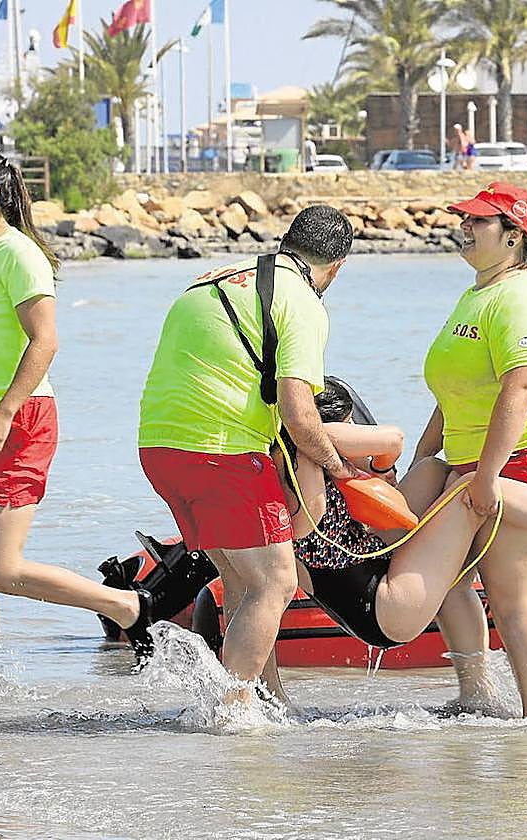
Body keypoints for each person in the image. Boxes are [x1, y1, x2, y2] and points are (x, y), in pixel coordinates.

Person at [0, 141, 153, 697]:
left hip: (19, 419)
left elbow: (45, 341)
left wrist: (4, 412)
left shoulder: (19, 255)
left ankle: (125, 605)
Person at [138, 205, 355, 702]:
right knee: (276, 582)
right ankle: (230, 713)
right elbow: (299, 415)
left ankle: (265, 699)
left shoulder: (215, 277)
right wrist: (336, 465)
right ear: (337, 266)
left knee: (242, 581)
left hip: (159, 447)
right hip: (220, 451)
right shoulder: (301, 300)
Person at [278, 379, 527, 658]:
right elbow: (393, 439)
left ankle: (476, 689)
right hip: (386, 608)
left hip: (370, 572)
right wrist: (343, 456)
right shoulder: (307, 469)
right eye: (350, 428)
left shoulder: (285, 462)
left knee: (432, 470)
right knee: (475, 487)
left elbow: (392, 452)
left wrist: (366, 471)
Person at [415, 182, 527, 717]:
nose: (464, 227)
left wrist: (488, 477)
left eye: (478, 220)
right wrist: (425, 457)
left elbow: (523, 387)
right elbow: (453, 392)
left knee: (511, 595)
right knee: (444, 579)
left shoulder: (521, 295)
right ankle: (477, 695)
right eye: (464, 218)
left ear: (514, 236)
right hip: (473, 459)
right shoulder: (477, 293)